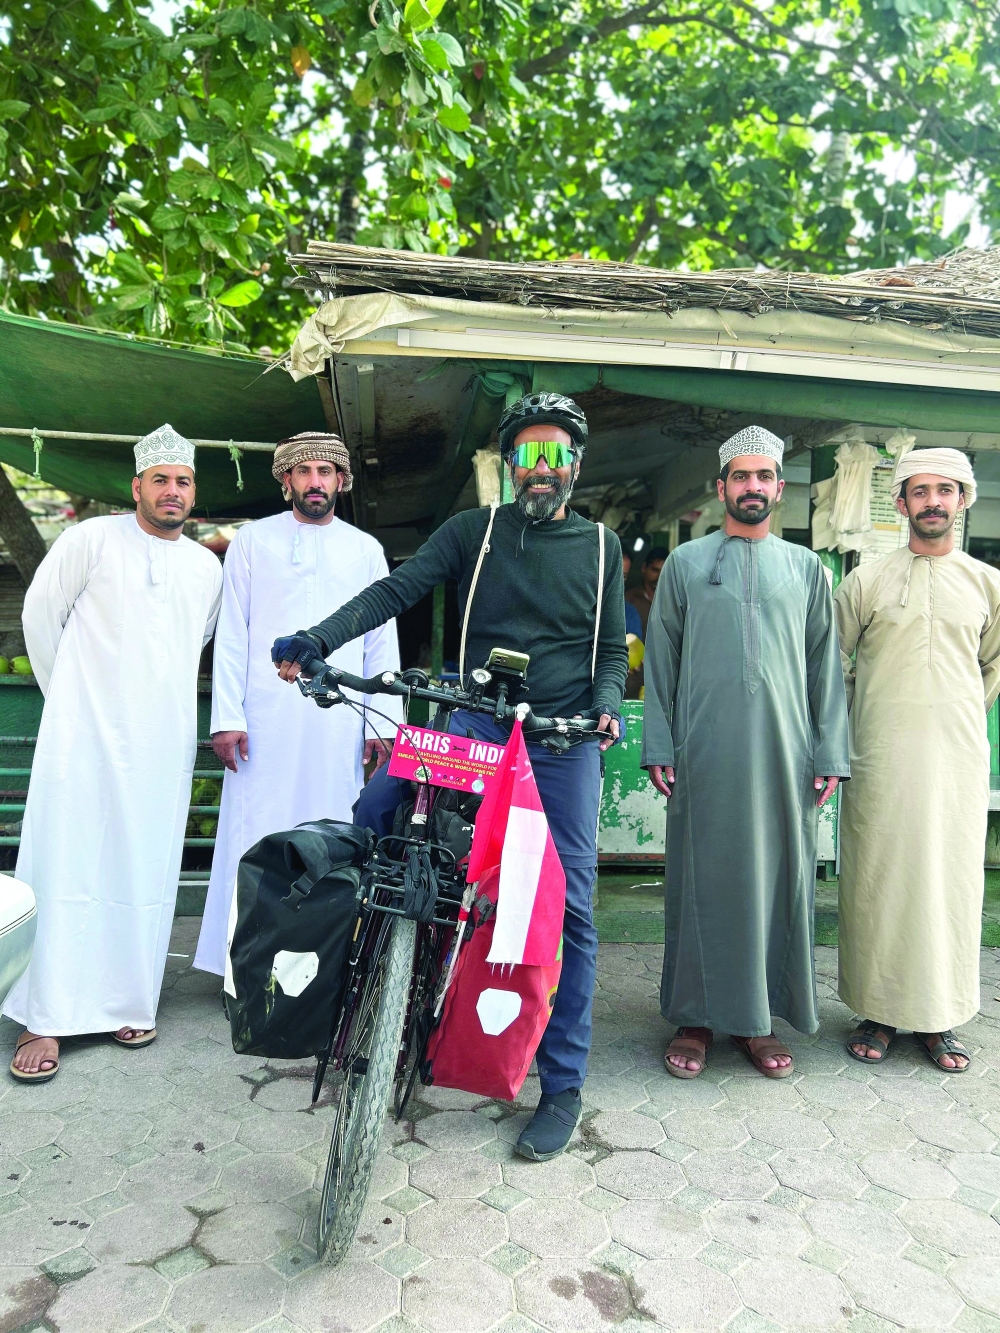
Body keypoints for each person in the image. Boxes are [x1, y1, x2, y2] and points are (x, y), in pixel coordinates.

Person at [272, 392, 628, 1160]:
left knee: (567, 908)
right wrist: (317, 638)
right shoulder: (475, 530)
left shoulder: (602, 548)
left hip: (560, 744)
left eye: (555, 454)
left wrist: (607, 705)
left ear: (574, 466)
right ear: (508, 465)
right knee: (372, 816)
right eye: (526, 454)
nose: (541, 468)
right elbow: (395, 591)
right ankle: (339, 992)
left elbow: (608, 652)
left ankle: (561, 1085)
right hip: (472, 718)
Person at [5, 425, 222, 1082]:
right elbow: (40, 617)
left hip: (161, 744)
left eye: (182, 480)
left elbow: (194, 641)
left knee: (145, 867)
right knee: (66, 860)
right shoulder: (89, 540)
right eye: (160, 479)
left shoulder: (205, 567)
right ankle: (45, 1013)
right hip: (82, 736)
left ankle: (131, 999)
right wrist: (71, 702)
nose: (172, 490)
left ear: (192, 490)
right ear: (137, 487)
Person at [641, 426, 850, 1080]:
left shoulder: (807, 569)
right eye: (741, 475)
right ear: (722, 485)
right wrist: (659, 742)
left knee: (775, 881)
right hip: (705, 750)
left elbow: (826, 668)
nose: (753, 486)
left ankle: (758, 1022)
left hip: (786, 753)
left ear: (779, 488)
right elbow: (662, 665)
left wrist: (830, 751)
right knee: (703, 881)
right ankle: (697, 1017)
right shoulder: (685, 564)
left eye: (764, 476)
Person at [193, 432, 401, 978]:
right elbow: (232, 634)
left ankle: (325, 968)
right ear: (286, 480)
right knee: (255, 831)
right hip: (264, 720)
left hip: (339, 722)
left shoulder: (365, 549)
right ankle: (243, 965)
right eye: (304, 471)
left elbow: (382, 641)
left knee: (334, 832)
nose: (315, 482)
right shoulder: (252, 541)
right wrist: (228, 718)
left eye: (326, 472)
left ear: (341, 481)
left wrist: (383, 727)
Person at [835, 449, 1000, 1072]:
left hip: (956, 759)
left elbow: (992, 665)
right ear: (901, 503)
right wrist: (866, 719)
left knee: (949, 883)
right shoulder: (866, 581)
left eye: (946, 490)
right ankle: (876, 1010)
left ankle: (941, 1018)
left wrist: (953, 709)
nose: (933, 501)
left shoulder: (989, 584)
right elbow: (835, 668)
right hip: (880, 755)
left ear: (962, 500)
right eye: (920, 490)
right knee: (880, 879)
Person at [626, 546, 668, 638]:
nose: (659, 576)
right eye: (655, 570)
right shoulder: (628, 600)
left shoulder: (673, 603)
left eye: (664, 572)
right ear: (644, 568)